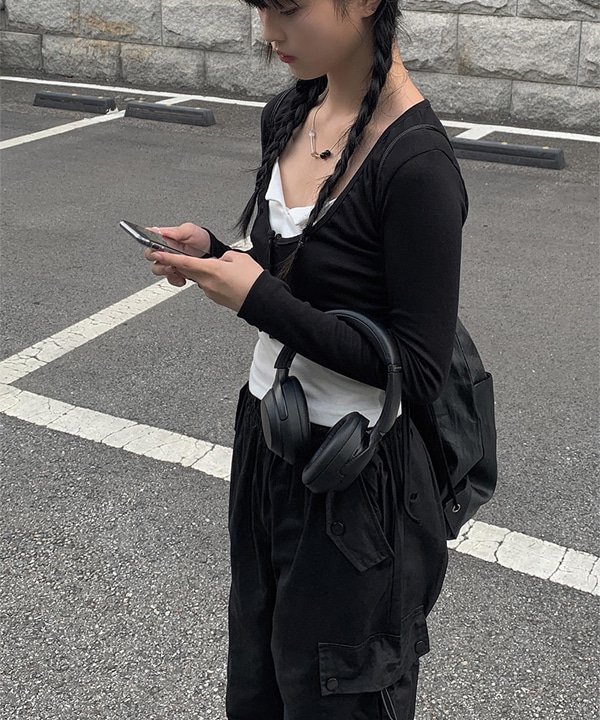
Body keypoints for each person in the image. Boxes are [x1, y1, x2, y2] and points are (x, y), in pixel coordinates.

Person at [143, 0, 468, 717]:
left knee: (336, 695)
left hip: (352, 479)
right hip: (266, 438)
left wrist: (256, 299)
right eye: (261, 7)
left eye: (289, 7)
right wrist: (217, 254)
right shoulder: (289, 114)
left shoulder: (417, 164)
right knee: (256, 679)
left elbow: (417, 372)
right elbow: (302, 280)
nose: (269, 32)